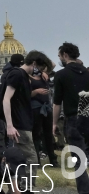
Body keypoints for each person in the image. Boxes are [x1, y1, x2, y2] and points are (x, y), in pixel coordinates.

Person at [3, 50, 52, 178]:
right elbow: (6, 98)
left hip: (22, 121)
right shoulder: (18, 75)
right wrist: (9, 125)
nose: (39, 72)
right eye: (39, 68)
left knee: (21, 157)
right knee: (30, 157)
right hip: (19, 123)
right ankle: (25, 188)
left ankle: (18, 187)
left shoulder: (22, 75)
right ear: (34, 63)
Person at [53, 42, 89, 193]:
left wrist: (54, 123)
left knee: (79, 158)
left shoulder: (61, 75)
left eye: (60, 56)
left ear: (65, 55)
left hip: (73, 119)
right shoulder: (87, 72)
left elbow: (57, 103)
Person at [30, 64, 57, 167]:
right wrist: (36, 92)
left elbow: (52, 64)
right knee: (36, 135)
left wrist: (43, 72)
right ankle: (37, 161)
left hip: (46, 107)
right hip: (35, 108)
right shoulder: (27, 77)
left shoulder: (43, 76)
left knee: (48, 135)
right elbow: (27, 93)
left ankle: (53, 159)